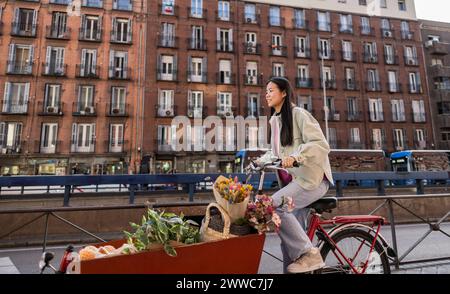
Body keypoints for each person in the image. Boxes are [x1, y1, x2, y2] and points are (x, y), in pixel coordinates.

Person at [255, 77, 334, 274]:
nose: (267, 94)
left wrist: (297, 156)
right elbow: (275, 153)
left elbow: (320, 144)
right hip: (296, 182)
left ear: (283, 93)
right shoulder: (275, 120)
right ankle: (301, 259)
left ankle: (310, 254)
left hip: (313, 180)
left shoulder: (300, 115)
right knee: (287, 245)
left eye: (271, 90)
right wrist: (259, 162)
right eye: (266, 91)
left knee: (275, 205)